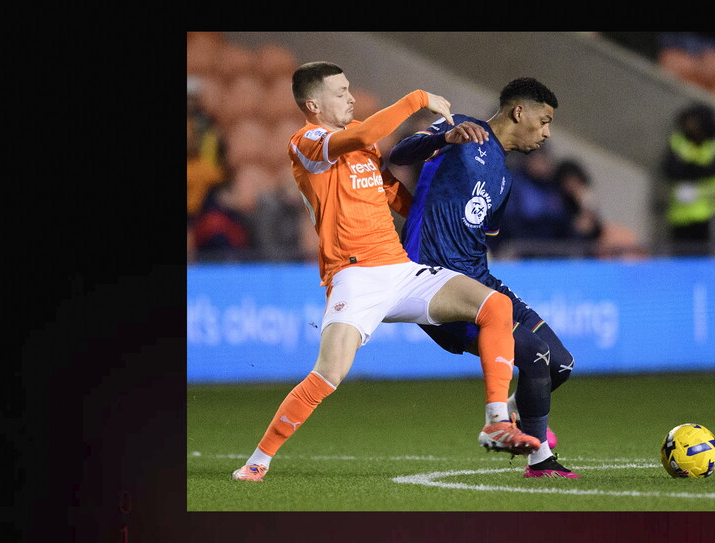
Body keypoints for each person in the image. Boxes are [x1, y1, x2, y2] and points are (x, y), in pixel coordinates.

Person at [231, 62, 540, 482]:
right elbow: (362, 136)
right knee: (329, 374)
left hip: (400, 270)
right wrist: (417, 100)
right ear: (313, 104)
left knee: (495, 306)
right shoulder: (307, 143)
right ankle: (258, 460)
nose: (350, 98)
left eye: (349, 89)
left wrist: (436, 216)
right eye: (340, 92)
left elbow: (390, 190)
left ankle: (496, 421)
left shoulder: (361, 143)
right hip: (355, 276)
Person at [389, 77, 578, 478]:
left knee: (560, 364)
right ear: (518, 112)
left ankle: (517, 414)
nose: (547, 133)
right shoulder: (460, 127)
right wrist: (442, 138)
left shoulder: (504, 178)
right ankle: (539, 459)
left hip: (479, 279)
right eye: (544, 121)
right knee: (535, 356)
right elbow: (399, 154)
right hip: (435, 281)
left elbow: (479, 238)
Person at [660, 102, 715, 256]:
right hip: (681, 216)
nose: (690, 127)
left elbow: (712, 170)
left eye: (694, 122)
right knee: (681, 260)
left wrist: (686, 166)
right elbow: (669, 170)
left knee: (710, 258)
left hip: (712, 213)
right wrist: (694, 167)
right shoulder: (678, 141)